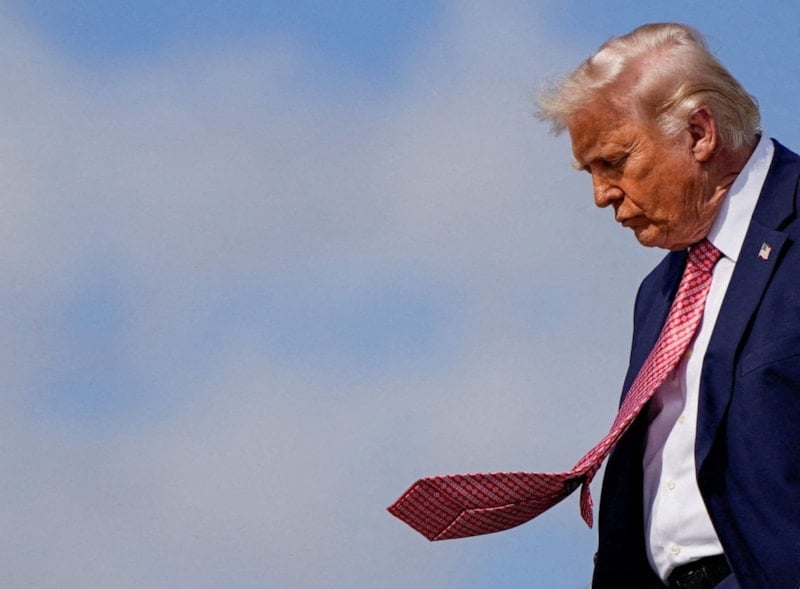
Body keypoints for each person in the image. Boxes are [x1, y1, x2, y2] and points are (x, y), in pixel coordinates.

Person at [536, 23, 800, 588]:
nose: (601, 195)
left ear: (699, 133)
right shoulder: (659, 291)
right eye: (590, 172)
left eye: (614, 161)